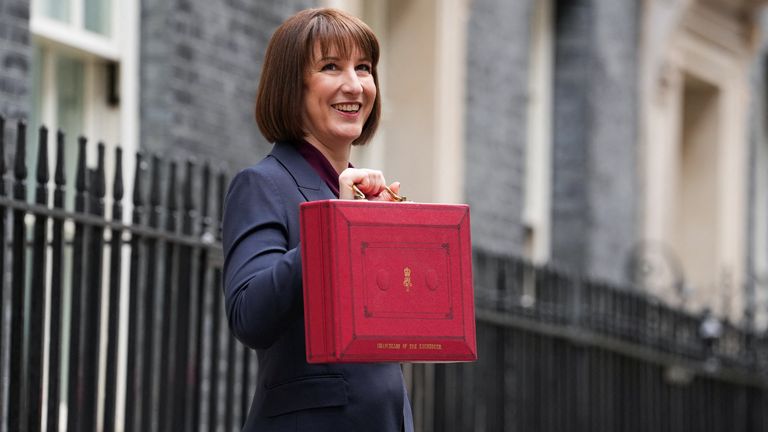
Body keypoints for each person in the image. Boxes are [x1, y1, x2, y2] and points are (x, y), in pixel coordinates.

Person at [222, 8, 414, 432]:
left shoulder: (362, 196)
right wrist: (337, 226)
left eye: (363, 68)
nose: (354, 85)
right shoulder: (262, 184)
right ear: (293, 86)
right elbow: (248, 314)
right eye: (331, 66)